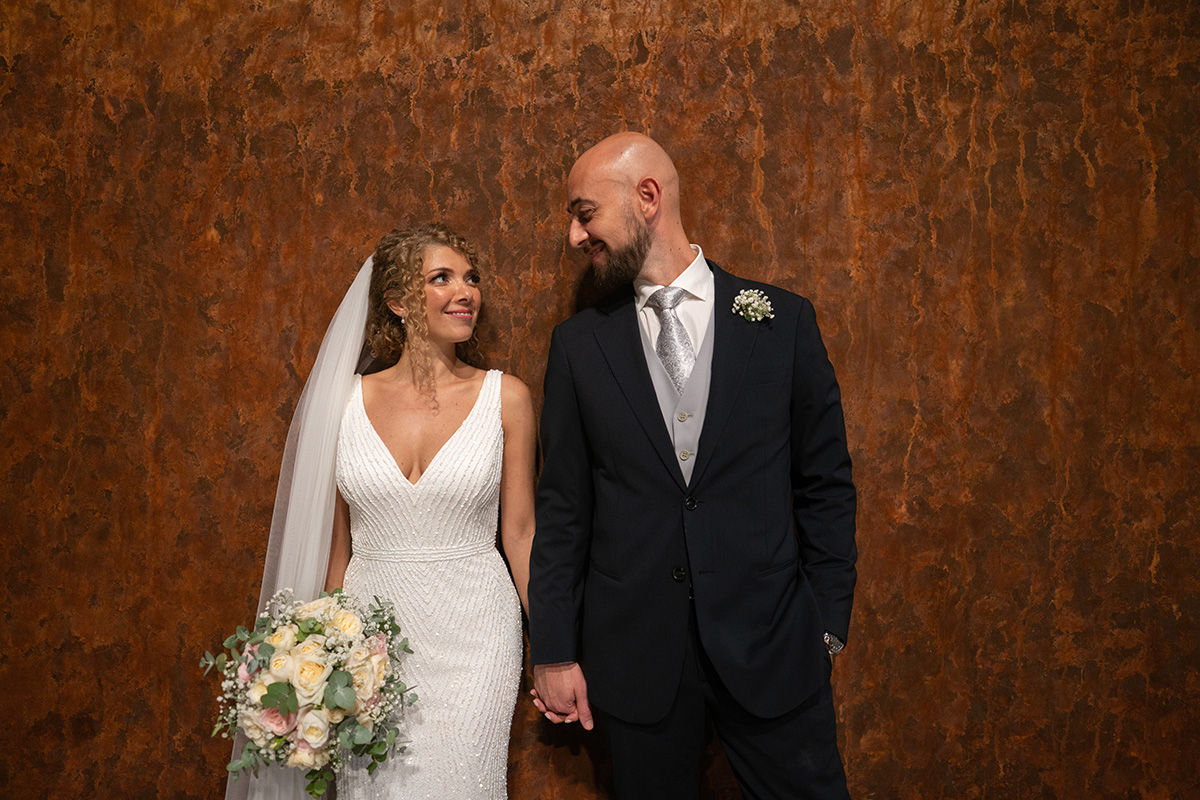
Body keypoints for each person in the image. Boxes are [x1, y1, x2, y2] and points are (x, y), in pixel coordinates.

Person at [529, 133, 858, 799]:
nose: (573, 235)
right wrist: (555, 648)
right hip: (636, 657)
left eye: (584, 212)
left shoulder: (783, 322)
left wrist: (824, 626)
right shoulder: (578, 347)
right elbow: (563, 508)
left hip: (773, 646)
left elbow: (825, 486)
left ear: (646, 198)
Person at [229, 223, 535, 800]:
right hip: (372, 640)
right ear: (397, 302)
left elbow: (520, 534)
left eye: (471, 278)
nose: (465, 291)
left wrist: (554, 648)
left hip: (477, 633)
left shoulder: (507, 397)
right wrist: (323, 651)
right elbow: (337, 549)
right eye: (441, 278)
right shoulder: (343, 403)